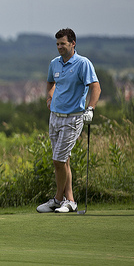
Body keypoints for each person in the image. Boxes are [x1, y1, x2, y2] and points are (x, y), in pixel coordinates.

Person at [37, 28, 101, 214]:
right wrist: (49, 97)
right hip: (55, 117)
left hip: (73, 117)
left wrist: (91, 108)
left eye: (63, 44)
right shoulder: (54, 64)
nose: (59, 47)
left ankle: (58, 199)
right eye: (57, 44)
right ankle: (70, 201)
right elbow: (50, 82)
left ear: (73, 43)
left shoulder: (83, 63)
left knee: (58, 159)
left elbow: (95, 87)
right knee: (63, 160)